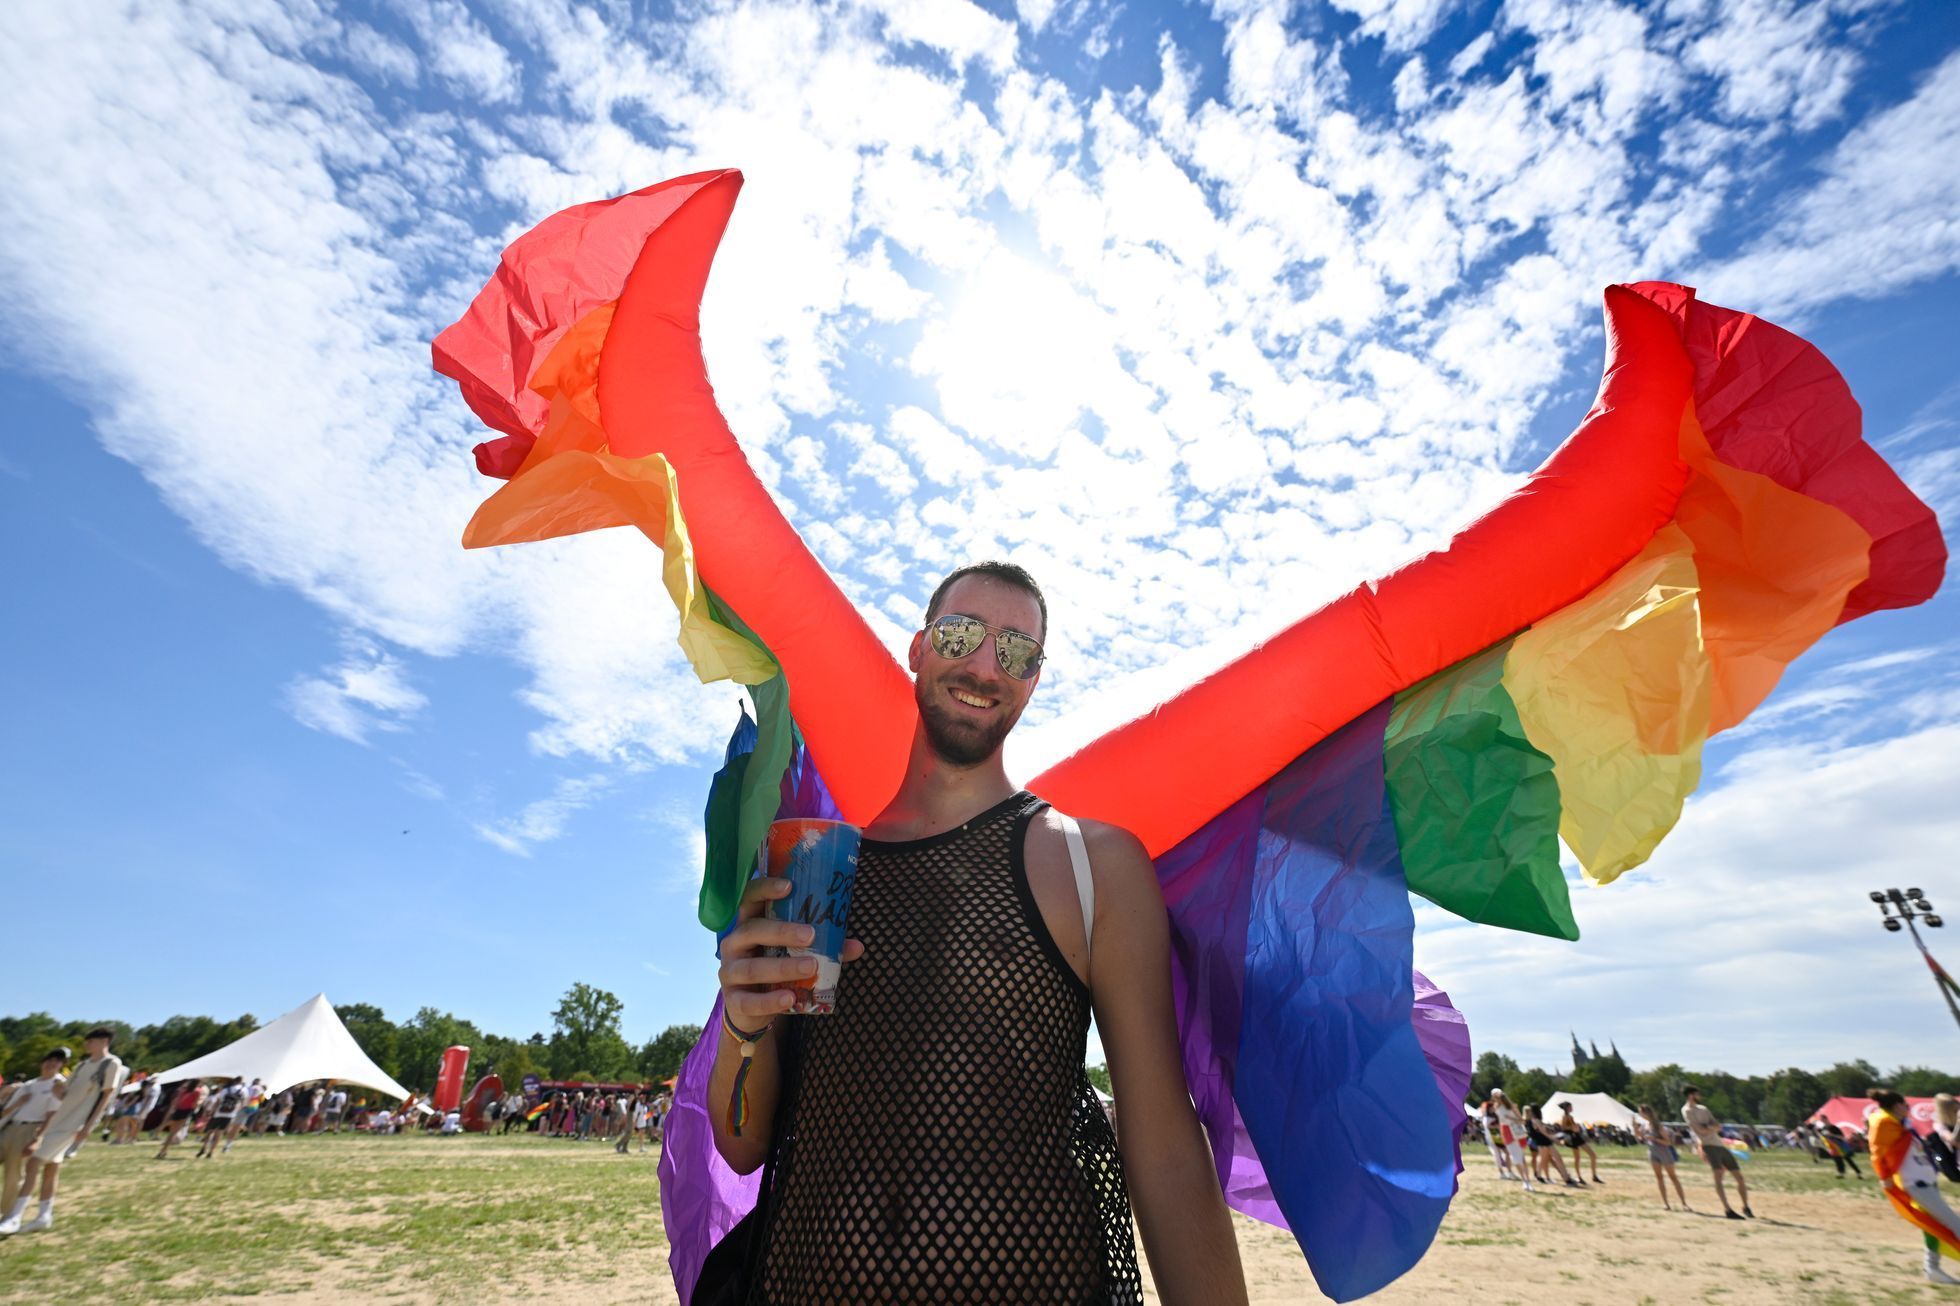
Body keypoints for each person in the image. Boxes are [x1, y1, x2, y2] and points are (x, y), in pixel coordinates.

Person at [708, 562, 1248, 1301]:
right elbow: (743, 1145)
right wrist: (742, 1025)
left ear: (1033, 681)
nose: (987, 667)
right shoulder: (815, 872)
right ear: (918, 648)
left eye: (1018, 652)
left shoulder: (1092, 864)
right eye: (961, 634)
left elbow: (1164, 1147)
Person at [0, 1028, 126, 1235]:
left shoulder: (111, 1064)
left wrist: (88, 1127)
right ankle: (44, 1216)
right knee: (52, 1168)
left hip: (73, 1124)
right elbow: (65, 1092)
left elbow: (106, 1097)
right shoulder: (82, 1065)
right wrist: (57, 1092)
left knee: (33, 1163)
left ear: (104, 1041)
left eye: (91, 1041)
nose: (86, 1044)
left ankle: (15, 1217)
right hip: (60, 1120)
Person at [1868, 1087, 1960, 1285]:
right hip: (1916, 1184)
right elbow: (1877, 1152)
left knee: (1934, 1227)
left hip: (1926, 1181)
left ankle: (1932, 1269)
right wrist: (1884, 1176)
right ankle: (1931, 1268)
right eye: (1905, 1105)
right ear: (1897, 1106)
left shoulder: (1901, 1125)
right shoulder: (1884, 1124)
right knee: (1954, 1223)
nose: (1908, 1108)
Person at [0, 1049, 69, 1224]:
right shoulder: (29, 1084)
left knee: (13, 1174)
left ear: (61, 1065)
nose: (51, 1064)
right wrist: (17, 1102)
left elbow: (52, 1116)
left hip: (30, 1129)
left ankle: (8, 1215)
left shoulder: (58, 1085)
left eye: (57, 1061)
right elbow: (5, 1111)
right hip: (9, 1127)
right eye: (48, 1060)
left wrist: (36, 1139)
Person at [1682, 1086, 1752, 1220]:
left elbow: (1718, 1126)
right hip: (1708, 1146)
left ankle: (1746, 1207)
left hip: (1720, 1145)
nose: (1700, 1096)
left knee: (1739, 1177)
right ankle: (1728, 1210)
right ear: (1691, 1095)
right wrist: (1710, 1128)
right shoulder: (1686, 1111)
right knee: (1719, 1177)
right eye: (1697, 1094)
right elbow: (1700, 1130)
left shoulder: (1703, 1109)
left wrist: (1708, 1128)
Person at [1635, 1104, 1690, 1211]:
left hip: (1664, 1152)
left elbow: (1668, 1142)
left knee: (1673, 1177)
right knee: (1659, 1178)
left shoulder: (1658, 1126)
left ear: (1646, 1113)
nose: (1639, 1114)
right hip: (1652, 1152)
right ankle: (1666, 1204)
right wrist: (1634, 1127)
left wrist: (1654, 1138)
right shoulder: (1645, 1125)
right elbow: (1639, 1137)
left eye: (1640, 1112)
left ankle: (1684, 1203)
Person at [1522, 1104, 1581, 1188]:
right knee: (1558, 1159)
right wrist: (1556, 1140)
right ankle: (1567, 1179)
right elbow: (1544, 1133)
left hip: (1540, 1143)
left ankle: (1538, 1175)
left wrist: (1548, 1128)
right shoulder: (1536, 1120)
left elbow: (1540, 1130)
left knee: (1543, 1159)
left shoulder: (1530, 1121)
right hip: (1545, 1142)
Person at [1487, 1091, 1533, 1192]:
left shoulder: (1512, 1106)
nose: (1495, 1100)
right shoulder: (1496, 1107)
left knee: (1521, 1158)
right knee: (1515, 1158)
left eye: (1496, 1098)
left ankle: (1528, 1181)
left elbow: (1522, 1120)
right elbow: (1501, 1121)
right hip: (1506, 1132)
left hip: (1516, 1131)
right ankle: (1525, 1181)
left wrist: (1511, 1118)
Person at [196, 1078, 248, 1159]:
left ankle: (204, 1148)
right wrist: (236, 1110)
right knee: (219, 1133)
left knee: (210, 1131)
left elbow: (218, 1102)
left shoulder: (226, 1090)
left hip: (218, 1113)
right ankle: (211, 1152)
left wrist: (212, 1111)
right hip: (230, 1115)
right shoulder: (243, 1090)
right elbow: (244, 1103)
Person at [156, 1081, 208, 1159]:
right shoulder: (198, 1091)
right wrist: (199, 1104)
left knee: (171, 1133)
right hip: (186, 1112)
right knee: (175, 1131)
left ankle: (163, 1150)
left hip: (179, 1110)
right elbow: (194, 1104)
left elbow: (177, 1101)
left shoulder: (184, 1089)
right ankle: (163, 1151)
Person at [1555, 1101, 1604, 1183]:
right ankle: (1590, 1176)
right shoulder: (1565, 1116)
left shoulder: (1569, 1116)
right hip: (1574, 1138)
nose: (1572, 1108)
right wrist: (1572, 1127)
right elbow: (1563, 1128)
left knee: (1579, 1158)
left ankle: (1584, 1176)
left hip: (1576, 1137)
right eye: (1570, 1107)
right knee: (1591, 1155)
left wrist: (1575, 1127)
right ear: (1567, 1108)